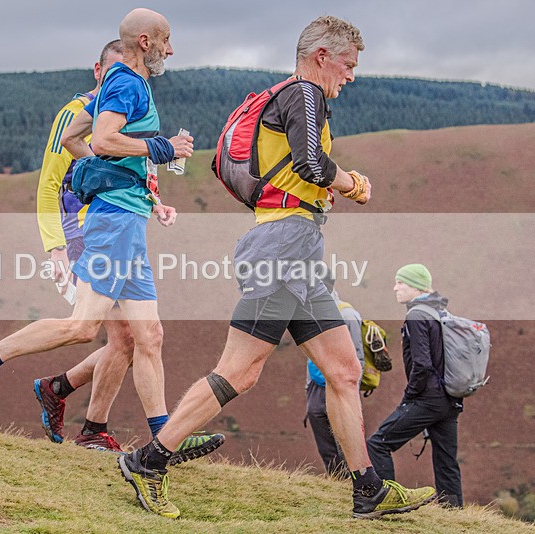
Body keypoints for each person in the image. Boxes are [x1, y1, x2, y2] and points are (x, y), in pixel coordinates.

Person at [117, 15, 436, 520]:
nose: (350, 76)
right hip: (284, 248)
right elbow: (313, 164)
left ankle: (367, 488)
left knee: (344, 369)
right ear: (321, 57)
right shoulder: (306, 93)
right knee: (239, 372)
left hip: (292, 244)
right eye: (348, 65)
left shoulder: (292, 96)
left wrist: (329, 190)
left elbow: (299, 168)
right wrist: (352, 182)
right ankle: (147, 462)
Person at [0, 7, 223, 465]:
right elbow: (101, 138)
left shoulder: (114, 85)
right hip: (112, 223)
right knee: (83, 326)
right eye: (166, 40)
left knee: (150, 335)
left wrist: (110, 174)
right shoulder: (127, 82)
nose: (171, 50)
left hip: (128, 221)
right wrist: (160, 148)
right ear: (145, 41)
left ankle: (165, 440)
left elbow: (74, 137)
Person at [31, 39, 134, 453]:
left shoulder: (122, 115)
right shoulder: (74, 115)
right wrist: (55, 248)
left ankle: (59, 391)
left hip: (113, 237)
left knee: (127, 339)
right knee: (118, 335)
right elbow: (48, 185)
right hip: (80, 238)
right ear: (97, 70)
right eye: (113, 73)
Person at [367, 264, 463, 508]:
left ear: (415, 286)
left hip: (427, 398)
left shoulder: (417, 315)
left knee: (378, 443)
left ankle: (388, 500)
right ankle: (453, 511)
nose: (395, 288)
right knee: (446, 458)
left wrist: (409, 397)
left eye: (400, 283)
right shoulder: (441, 311)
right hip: (451, 398)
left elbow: (422, 364)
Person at [305, 277, 364, 477]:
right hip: (316, 388)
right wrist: (309, 390)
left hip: (339, 387)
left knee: (345, 443)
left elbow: (358, 357)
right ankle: (337, 485)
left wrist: (350, 392)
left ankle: (357, 485)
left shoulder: (347, 314)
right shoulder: (310, 312)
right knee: (327, 448)